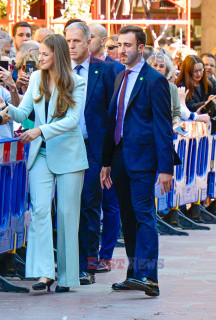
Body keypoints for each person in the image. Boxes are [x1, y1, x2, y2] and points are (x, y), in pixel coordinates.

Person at [8, 34, 87, 293]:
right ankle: (44, 273)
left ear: (58, 55)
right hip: (40, 153)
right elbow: (23, 113)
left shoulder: (77, 82)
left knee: (66, 214)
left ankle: (66, 277)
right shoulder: (35, 78)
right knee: (40, 211)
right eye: (39, 53)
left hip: (68, 154)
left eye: (44, 54)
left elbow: (72, 121)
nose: (39, 58)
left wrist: (40, 130)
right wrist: (5, 106)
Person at [100, 25, 173, 297]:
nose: (122, 50)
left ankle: (149, 277)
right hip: (119, 159)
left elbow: (163, 126)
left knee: (143, 215)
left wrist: (165, 168)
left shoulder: (155, 80)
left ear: (141, 48)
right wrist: (106, 162)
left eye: (127, 45)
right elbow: (112, 122)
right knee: (128, 219)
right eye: (119, 45)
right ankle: (134, 273)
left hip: (143, 160)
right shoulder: (120, 77)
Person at [65, 22, 117, 285]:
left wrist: (110, 155)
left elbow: (112, 114)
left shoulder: (105, 71)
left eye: (76, 41)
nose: (71, 46)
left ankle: (87, 265)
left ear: (88, 42)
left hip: (93, 148)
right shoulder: (57, 72)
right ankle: (68, 262)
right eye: (68, 41)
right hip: (64, 148)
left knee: (89, 203)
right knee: (66, 206)